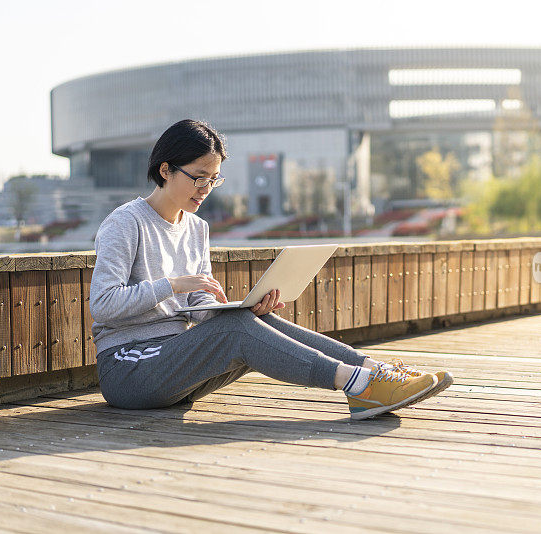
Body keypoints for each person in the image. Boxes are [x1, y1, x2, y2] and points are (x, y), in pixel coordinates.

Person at [89, 119, 453, 420]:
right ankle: (359, 386)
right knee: (235, 330)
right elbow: (103, 304)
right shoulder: (126, 223)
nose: (206, 189)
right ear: (166, 170)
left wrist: (239, 308)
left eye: (214, 179)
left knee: (249, 321)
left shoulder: (196, 228)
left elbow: (197, 313)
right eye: (199, 177)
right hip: (128, 369)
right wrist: (172, 284)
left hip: (174, 364)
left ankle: (376, 371)